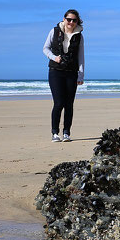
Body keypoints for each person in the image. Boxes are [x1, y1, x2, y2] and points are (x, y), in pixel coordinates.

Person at [43, 9, 85, 142]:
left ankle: (66, 132)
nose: (71, 22)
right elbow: (45, 48)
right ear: (64, 19)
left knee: (69, 104)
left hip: (71, 73)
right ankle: (55, 133)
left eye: (74, 20)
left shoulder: (79, 36)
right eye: (69, 19)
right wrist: (54, 57)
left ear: (77, 21)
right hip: (55, 71)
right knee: (59, 103)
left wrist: (81, 75)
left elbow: (81, 56)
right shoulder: (54, 31)